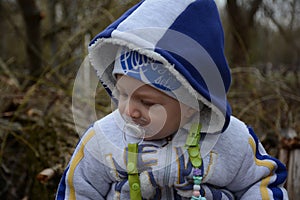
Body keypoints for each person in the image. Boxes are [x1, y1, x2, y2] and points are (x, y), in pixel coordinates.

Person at [56, 0, 288, 199]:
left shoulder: (231, 141)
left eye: (147, 102)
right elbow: (78, 190)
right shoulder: (103, 139)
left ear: (192, 103)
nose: (129, 110)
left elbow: (261, 184)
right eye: (123, 94)